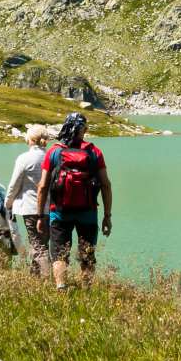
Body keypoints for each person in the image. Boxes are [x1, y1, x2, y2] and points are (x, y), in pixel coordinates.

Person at [37, 112, 111, 292]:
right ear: (82, 130)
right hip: (88, 212)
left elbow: (42, 186)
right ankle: (87, 291)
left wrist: (40, 215)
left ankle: (61, 289)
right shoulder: (94, 152)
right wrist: (107, 216)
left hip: (59, 212)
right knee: (87, 254)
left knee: (59, 254)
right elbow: (106, 185)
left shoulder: (54, 152)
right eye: (85, 128)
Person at [5, 126, 52, 276]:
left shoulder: (24, 158)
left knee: (38, 246)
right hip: (52, 208)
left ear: (30, 139)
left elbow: (14, 184)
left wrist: (8, 203)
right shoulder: (53, 157)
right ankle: (34, 277)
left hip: (31, 208)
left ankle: (46, 280)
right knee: (42, 243)